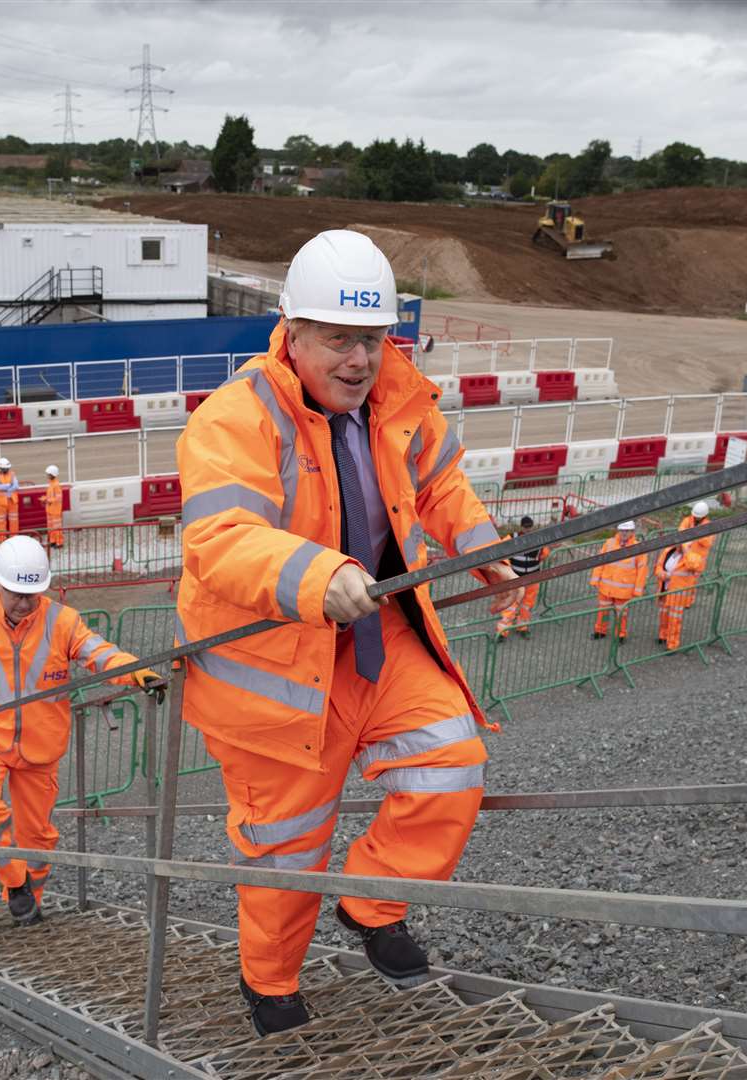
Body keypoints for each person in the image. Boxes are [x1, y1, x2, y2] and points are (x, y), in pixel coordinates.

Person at [175, 229, 519, 1036]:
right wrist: (316, 575)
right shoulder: (234, 420)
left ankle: (370, 903)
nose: (360, 360)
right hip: (275, 670)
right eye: (340, 340)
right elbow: (220, 535)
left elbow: (442, 486)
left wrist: (489, 551)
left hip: (377, 638)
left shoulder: (397, 396)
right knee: (287, 851)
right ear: (292, 333)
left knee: (450, 763)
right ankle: (271, 985)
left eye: (372, 339)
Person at [0, 537, 163, 924]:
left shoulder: (62, 621)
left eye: (32, 594)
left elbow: (99, 653)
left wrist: (136, 671)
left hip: (41, 746)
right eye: (16, 593)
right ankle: (15, 882)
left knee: (37, 837)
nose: (24, 603)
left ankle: (29, 906)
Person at [656, 501, 714, 650]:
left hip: (692, 565)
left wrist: (688, 546)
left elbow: (706, 543)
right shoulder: (671, 549)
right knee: (664, 613)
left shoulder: (708, 528)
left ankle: (672, 643)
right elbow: (658, 567)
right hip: (668, 587)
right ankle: (663, 636)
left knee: (675, 617)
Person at [493, 516, 549, 641]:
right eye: (526, 527)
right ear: (521, 527)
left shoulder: (538, 539)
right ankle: (502, 632)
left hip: (532, 579)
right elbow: (500, 549)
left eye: (530, 527)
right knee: (511, 604)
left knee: (527, 605)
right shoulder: (512, 538)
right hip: (516, 579)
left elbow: (544, 554)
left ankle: (522, 627)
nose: (528, 529)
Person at [590, 520, 646, 641]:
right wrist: (595, 579)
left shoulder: (638, 549)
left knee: (621, 614)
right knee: (602, 611)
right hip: (606, 587)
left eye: (627, 531)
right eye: (622, 531)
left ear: (632, 532)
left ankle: (620, 635)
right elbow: (600, 561)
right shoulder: (609, 544)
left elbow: (642, 571)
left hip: (623, 591)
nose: (624, 533)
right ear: (618, 530)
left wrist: (637, 590)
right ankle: (600, 631)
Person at [0, 457, 20, 539]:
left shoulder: (12, 474)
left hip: (12, 501)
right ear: (1, 468)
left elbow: (16, 485)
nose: (7, 470)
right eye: (5, 468)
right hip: (0, 503)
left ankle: (14, 538)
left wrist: (7, 489)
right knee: (1, 523)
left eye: (8, 468)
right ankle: (2, 540)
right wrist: (8, 485)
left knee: (14, 522)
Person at [43, 465, 64, 549]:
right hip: (50, 509)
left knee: (57, 528)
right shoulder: (51, 484)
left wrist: (48, 500)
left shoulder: (56, 485)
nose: (47, 476)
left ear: (52, 474)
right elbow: (51, 496)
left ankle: (59, 543)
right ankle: (53, 541)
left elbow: (58, 497)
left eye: (48, 474)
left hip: (55, 510)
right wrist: (45, 499)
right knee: (51, 527)